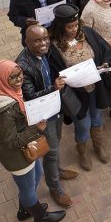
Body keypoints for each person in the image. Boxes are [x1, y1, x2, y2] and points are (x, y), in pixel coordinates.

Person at [0, 60, 67, 222]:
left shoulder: (5, 91)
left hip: (25, 148)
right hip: (16, 155)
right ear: (1, 79)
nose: (19, 79)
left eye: (20, 74)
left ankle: (24, 211)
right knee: (28, 190)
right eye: (13, 77)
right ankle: (41, 217)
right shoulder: (5, 110)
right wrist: (36, 128)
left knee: (37, 176)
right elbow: (11, 141)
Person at [48, 4, 111, 172]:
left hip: (95, 88)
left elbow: (104, 49)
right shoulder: (53, 47)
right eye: (70, 27)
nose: (74, 29)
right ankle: (82, 151)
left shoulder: (87, 33)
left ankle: (98, 147)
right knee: (83, 124)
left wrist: (106, 63)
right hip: (76, 94)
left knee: (97, 119)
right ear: (60, 26)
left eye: (76, 24)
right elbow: (53, 72)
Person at [16, 25, 76, 209]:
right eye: (37, 40)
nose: (43, 43)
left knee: (56, 141)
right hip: (43, 115)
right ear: (27, 42)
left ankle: (56, 170)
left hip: (55, 108)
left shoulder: (47, 51)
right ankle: (54, 187)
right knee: (51, 152)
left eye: (45, 38)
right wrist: (53, 88)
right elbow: (29, 96)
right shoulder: (23, 66)